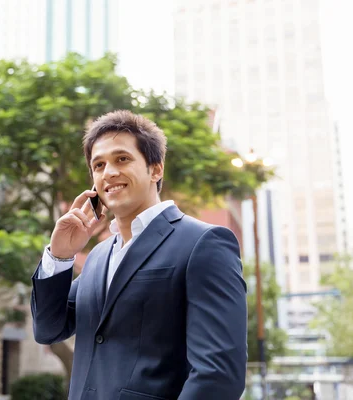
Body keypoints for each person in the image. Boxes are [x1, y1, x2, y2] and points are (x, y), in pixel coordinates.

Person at [31, 110, 247, 400]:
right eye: (98, 165)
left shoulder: (204, 243)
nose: (108, 172)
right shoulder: (98, 256)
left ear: (155, 169)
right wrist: (60, 257)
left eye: (122, 159)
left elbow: (218, 375)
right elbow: (49, 329)